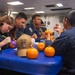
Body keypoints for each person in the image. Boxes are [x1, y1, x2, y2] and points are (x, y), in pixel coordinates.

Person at [45, 9, 75, 75]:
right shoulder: (68, 34)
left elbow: (52, 49)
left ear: (66, 20)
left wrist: (48, 40)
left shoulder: (67, 35)